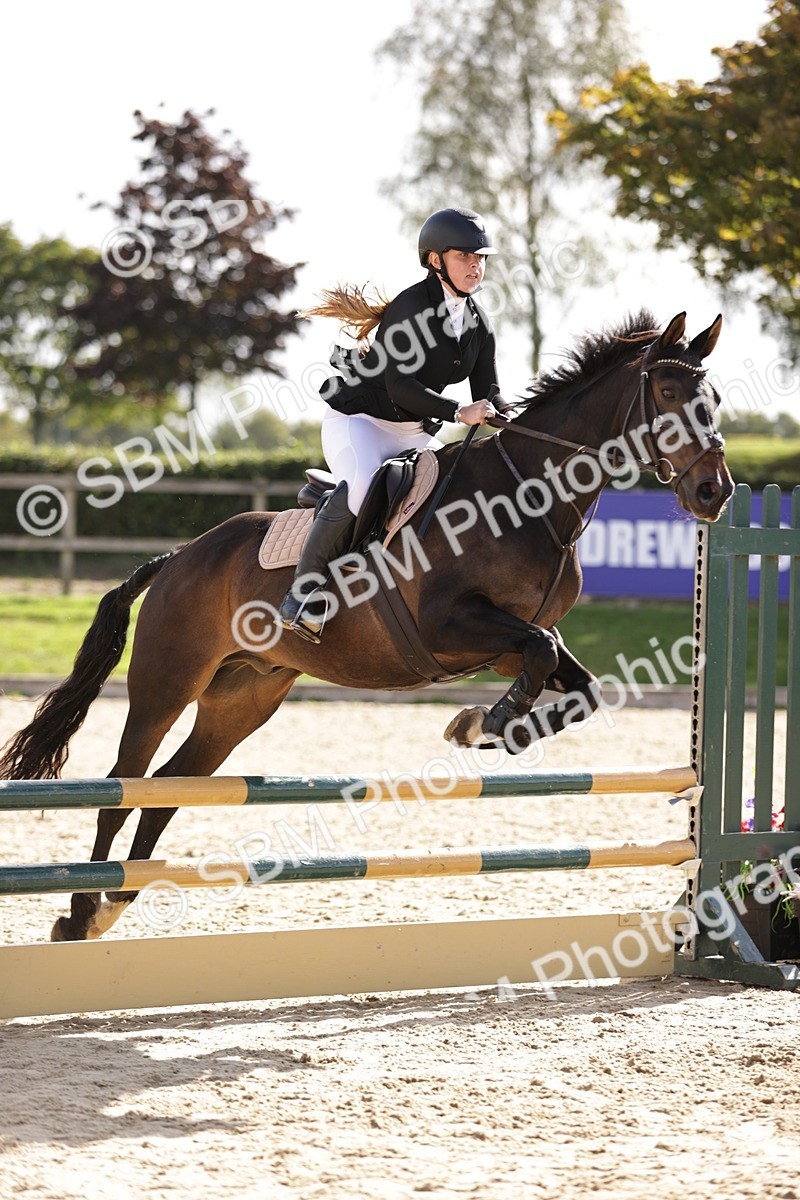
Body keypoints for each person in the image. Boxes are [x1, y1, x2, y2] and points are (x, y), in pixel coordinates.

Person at [277, 206, 501, 642]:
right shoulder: (410, 307)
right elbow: (401, 388)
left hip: (415, 434)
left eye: (481, 257)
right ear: (435, 260)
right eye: (464, 256)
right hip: (360, 422)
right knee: (360, 485)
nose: (476, 264)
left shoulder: (479, 323)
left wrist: (517, 419)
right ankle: (300, 596)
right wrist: (459, 412)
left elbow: (489, 392)